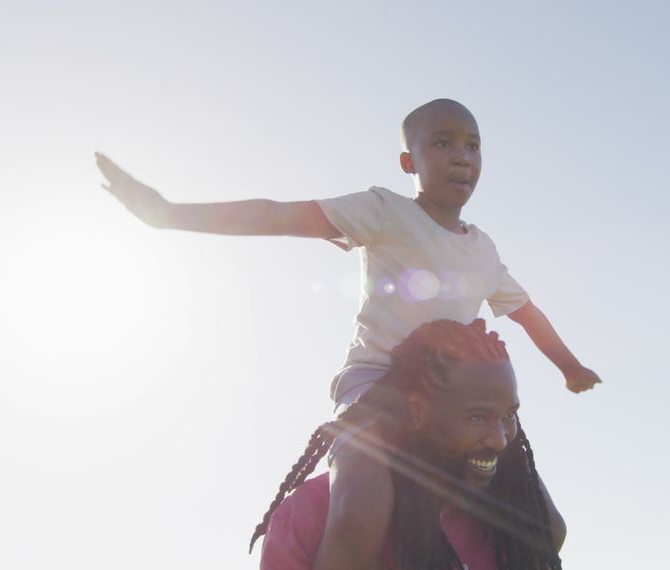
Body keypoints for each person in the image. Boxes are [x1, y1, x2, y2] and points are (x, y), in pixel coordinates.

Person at [96, 98, 596, 569]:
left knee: (547, 527)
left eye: (472, 145)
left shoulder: (483, 249)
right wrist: (169, 214)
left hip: (459, 400)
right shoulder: (384, 211)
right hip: (378, 389)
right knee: (361, 509)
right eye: (442, 144)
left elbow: (527, 312)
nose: (461, 157)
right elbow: (278, 214)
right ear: (409, 163)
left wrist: (569, 367)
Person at [251, 319, 565, 570]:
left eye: (509, 415)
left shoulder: (513, 523)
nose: (499, 440)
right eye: (478, 418)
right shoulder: (310, 514)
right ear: (417, 411)